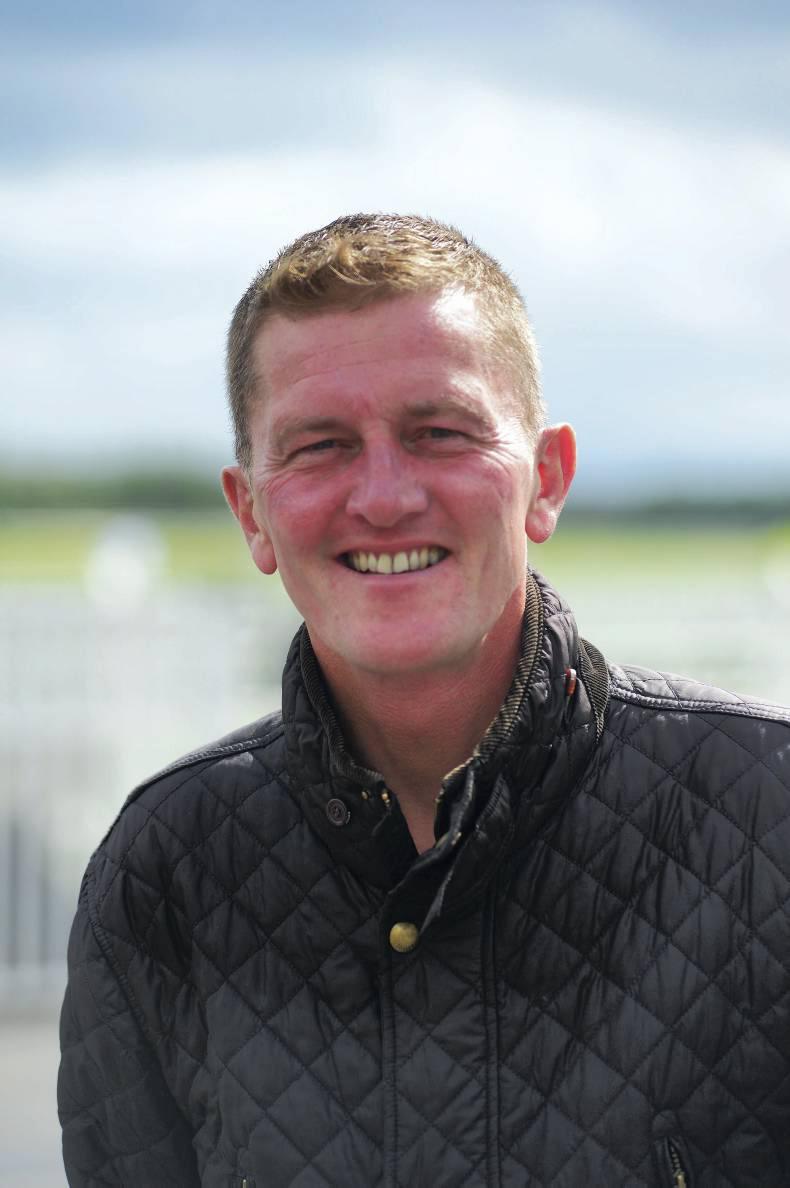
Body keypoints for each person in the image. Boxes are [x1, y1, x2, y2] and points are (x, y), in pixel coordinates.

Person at [58, 213, 790, 1187]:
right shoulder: (165, 873)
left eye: (439, 433)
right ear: (251, 512)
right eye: (320, 445)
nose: (385, 496)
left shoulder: (766, 815)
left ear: (546, 479)